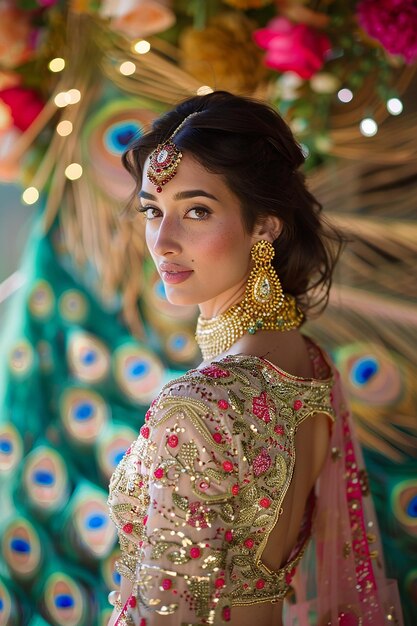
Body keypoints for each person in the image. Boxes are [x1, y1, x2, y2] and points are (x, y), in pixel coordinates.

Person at [107, 91, 403, 626]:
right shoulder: (308, 362)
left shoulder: (196, 406)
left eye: (197, 211)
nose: (164, 241)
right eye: (154, 210)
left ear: (264, 225)